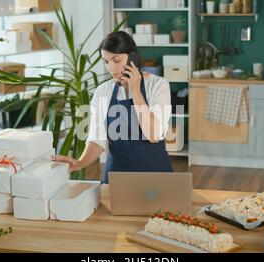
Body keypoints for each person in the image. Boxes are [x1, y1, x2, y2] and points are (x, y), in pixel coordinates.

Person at [52, 31, 173, 183]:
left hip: (155, 174)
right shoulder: (103, 91)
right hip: (117, 176)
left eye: (116, 60)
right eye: (106, 61)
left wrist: (135, 90)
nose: (111, 68)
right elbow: (97, 138)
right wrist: (80, 163)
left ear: (132, 57)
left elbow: (154, 135)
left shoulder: (158, 86)